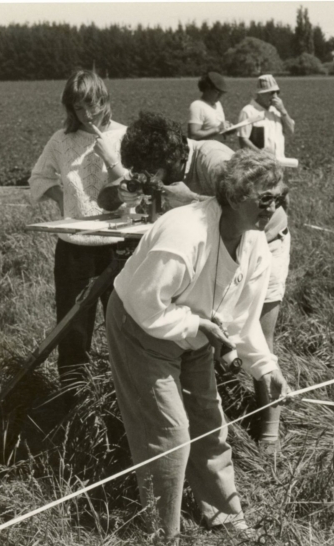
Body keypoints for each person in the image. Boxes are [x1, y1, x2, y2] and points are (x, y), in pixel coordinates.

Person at [105, 148, 290, 538]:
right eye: (266, 199)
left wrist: (265, 368)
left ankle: (226, 518)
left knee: (209, 425)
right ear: (237, 196)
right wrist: (197, 325)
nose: (273, 209)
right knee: (169, 434)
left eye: (280, 199)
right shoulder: (185, 234)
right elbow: (145, 305)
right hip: (139, 328)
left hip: (195, 331)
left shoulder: (255, 242)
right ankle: (162, 538)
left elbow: (242, 318)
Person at [99, 111, 287, 452]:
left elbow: (263, 217)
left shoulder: (214, 162)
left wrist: (191, 203)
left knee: (255, 331)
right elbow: (110, 197)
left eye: (149, 173)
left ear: (165, 160)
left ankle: (269, 429)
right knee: (209, 332)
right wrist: (127, 188)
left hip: (262, 244)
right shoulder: (171, 186)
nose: (148, 180)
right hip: (205, 264)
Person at [29, 70, 127, 413]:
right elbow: (38, 177)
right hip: (74, 247)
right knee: (73, 330)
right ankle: (73, 403)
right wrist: (62, 200)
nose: (87, 114)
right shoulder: (60, 140)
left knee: (125, 327)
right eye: (79, 107)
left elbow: (139, 188)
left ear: (104, 100)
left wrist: (110, 158)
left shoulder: (123, 136)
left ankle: (123, 401)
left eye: (93, 104)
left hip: (119, 246)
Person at [237, 74, 295, 449]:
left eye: (275, 92)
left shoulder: (275, 113)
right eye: (268, 93)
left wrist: (284, 111)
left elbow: (290, 131)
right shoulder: (248, 112)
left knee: (264, 331)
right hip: (257, 185)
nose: (272, 97)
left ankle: (268, 429)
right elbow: (243, 145)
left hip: (274, 190)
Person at [188, 71, 234, 142]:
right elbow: (193, 135)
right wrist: (217, 129)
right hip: (205, 150)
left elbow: (219, 129)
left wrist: (228, 129)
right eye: (217, 92)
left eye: (222, 93)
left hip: (218, 148)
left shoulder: (218, 104)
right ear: (207, 88)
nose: (220, 96)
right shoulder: (197, 106)